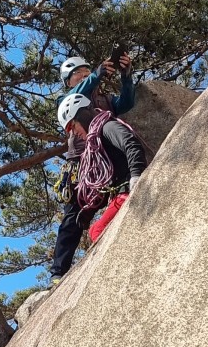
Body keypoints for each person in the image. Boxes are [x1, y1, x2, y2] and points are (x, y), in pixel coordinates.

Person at [50, 92, 148, 281]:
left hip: (127, 190)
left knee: (97, 231)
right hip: (120, 192)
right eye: (68, 129)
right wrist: (85, 213)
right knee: (94, 229)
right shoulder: (97, 141)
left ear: (82, 115)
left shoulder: (107, 127)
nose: (73, 132)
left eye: (72, 125)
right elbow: (102, 183)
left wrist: (136, 175)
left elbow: (131, 143)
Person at [59, 50, 136, 117]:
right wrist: (96, 75)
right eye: (78, 72)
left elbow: (127, 104)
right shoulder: (62, 101)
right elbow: (71, 97)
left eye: (86, 71)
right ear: (68, 83)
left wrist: (126, 77)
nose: (84, 74)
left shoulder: (107, 98)